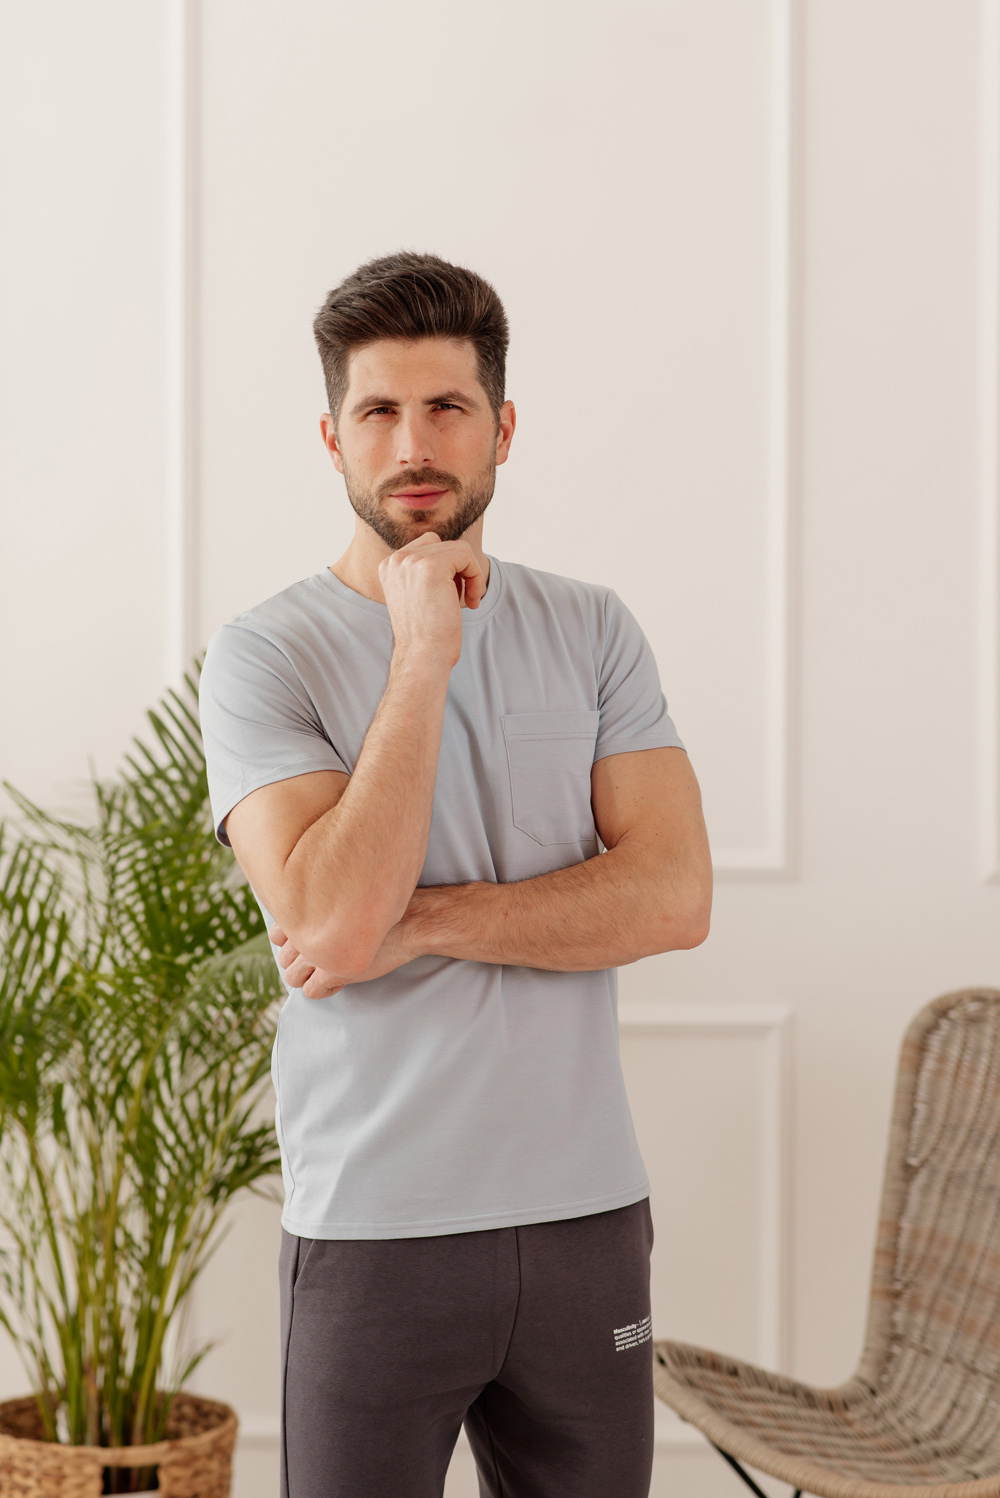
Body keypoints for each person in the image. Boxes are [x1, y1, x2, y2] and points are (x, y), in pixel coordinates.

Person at [198, 251, 713, 1498]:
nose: (413, 441)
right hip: (375, 1225)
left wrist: (419, 922)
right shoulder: (262, 655)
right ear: (331, 436)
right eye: (379, 410)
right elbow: (324, 914)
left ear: (502, 427)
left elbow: (673, 897)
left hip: (588, 1219)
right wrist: (422, 649)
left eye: (447, 407)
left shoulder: (591, 628)